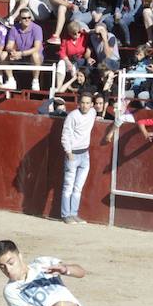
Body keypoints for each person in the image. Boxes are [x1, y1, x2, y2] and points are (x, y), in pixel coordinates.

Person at [60, 92, 96, 224]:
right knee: (69, 186)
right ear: (78, 104)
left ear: (91, 104)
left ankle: (74, 213)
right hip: (73, 154)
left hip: (85, 154)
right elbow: (66, 134)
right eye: (83, 103)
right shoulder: (72, 116)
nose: (85, 106)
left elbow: (102, 102)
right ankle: (65, 214)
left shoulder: (92, 112)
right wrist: (69, 152)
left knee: (78, 187)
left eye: (88, 103)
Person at [0, 8, 44, 91]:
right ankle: (11, 80)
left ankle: (35, 81)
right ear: (20, 19)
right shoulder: (14, 29)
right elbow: (9, 45)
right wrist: (12, 51)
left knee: (35, 55)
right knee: (3, 55)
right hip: (19, 55)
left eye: (29, 17)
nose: (27, 20)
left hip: (33, 56)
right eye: (24, 18)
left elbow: (37, 48)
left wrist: (21, 53)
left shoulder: (37, 28)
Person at [55, 21, 89, 88]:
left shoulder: (84, 35)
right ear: (69, 33)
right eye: (74, 33)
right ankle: (58, 87)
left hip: (80, 61)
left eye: (78, 32)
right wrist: (67, 62)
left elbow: (95, 31)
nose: (77, 35)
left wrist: (86, 30)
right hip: (69, 60)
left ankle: (78, 88)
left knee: (74, 68)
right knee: (61, 63)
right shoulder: (65, 39)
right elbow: (62, 52)